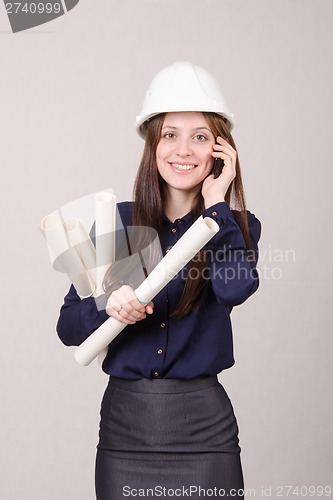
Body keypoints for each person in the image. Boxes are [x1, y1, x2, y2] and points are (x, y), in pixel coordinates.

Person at [57, 61, 261, 500]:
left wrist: (215, 207)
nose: (182, 150)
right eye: (170, 135)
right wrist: (106, 306)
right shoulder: (117, 224)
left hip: (204, 433)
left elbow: (234, 288)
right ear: (152, 146)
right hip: (125, 433)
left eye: (200, 137)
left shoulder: (235, 225)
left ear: (220, 151)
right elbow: (69, 327)